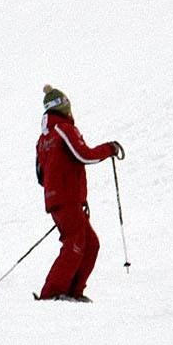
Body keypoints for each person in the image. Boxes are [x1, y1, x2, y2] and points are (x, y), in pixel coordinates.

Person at [35, 85, 124, 302]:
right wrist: (109, 149)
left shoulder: (43, 139)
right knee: (75, 243)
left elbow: (40, 175)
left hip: (61, 200)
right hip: (68, 200)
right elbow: (84, 155)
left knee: (91, 244)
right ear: (64, 106)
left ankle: (73, 292)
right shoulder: (64, 129)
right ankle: (53, 293)